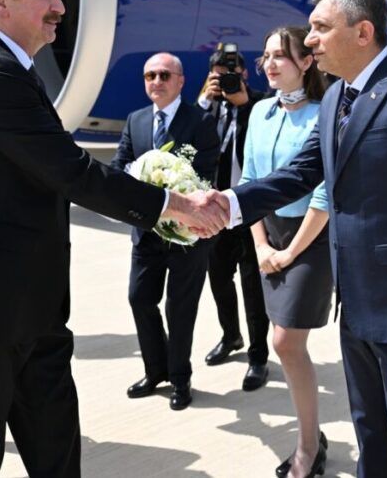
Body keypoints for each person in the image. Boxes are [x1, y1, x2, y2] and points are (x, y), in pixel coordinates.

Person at [0, 0, 225, 477]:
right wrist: (175, 206)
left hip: (28, 306)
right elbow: (69, 170)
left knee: (57, 456)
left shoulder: (9, 65)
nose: (60, 5)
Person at [217, 0, 387, 478]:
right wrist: (225, 205)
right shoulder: (337, 95)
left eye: (321, 27)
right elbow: (300, 173)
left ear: (363, 32)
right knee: (373, 442)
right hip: (357, 307)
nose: (310, 39)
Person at [239, 26, 332, 478]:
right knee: (286, 344)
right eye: (266, 55)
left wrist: (290, 252)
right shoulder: (259, 111)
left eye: (281, 55)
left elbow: (324, 194)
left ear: (306, 61)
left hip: (310, 237)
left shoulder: (324, 113)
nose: (270, 64)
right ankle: (313, 436)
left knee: (285, 342)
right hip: (268, 236)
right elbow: (249, 181)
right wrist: (260, 244)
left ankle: (308, 448)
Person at [110, 53, 220, 411]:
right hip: (146, 232)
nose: (156, 81)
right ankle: (155, 370)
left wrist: (175, 193)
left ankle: (180, 378)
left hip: (187, 236)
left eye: (164, 75)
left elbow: (206, 173)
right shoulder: (136, 120)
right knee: (140, 298)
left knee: (180, 308)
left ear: (180, 81)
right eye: (149, 76)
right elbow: (119, 166)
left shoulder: (201, 121)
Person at [197, 46, 272, 391]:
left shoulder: (260, 104)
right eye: (219, 74)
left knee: (253, 287)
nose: (227, 79)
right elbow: (191, 137)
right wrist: (204, 100)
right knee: (218, 278)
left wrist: (244, 104)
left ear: (244, 73)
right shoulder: (208, 107)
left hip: (249, 208)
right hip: (216, 208)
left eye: (233, 72)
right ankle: (231, 336)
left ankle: (259, 356)